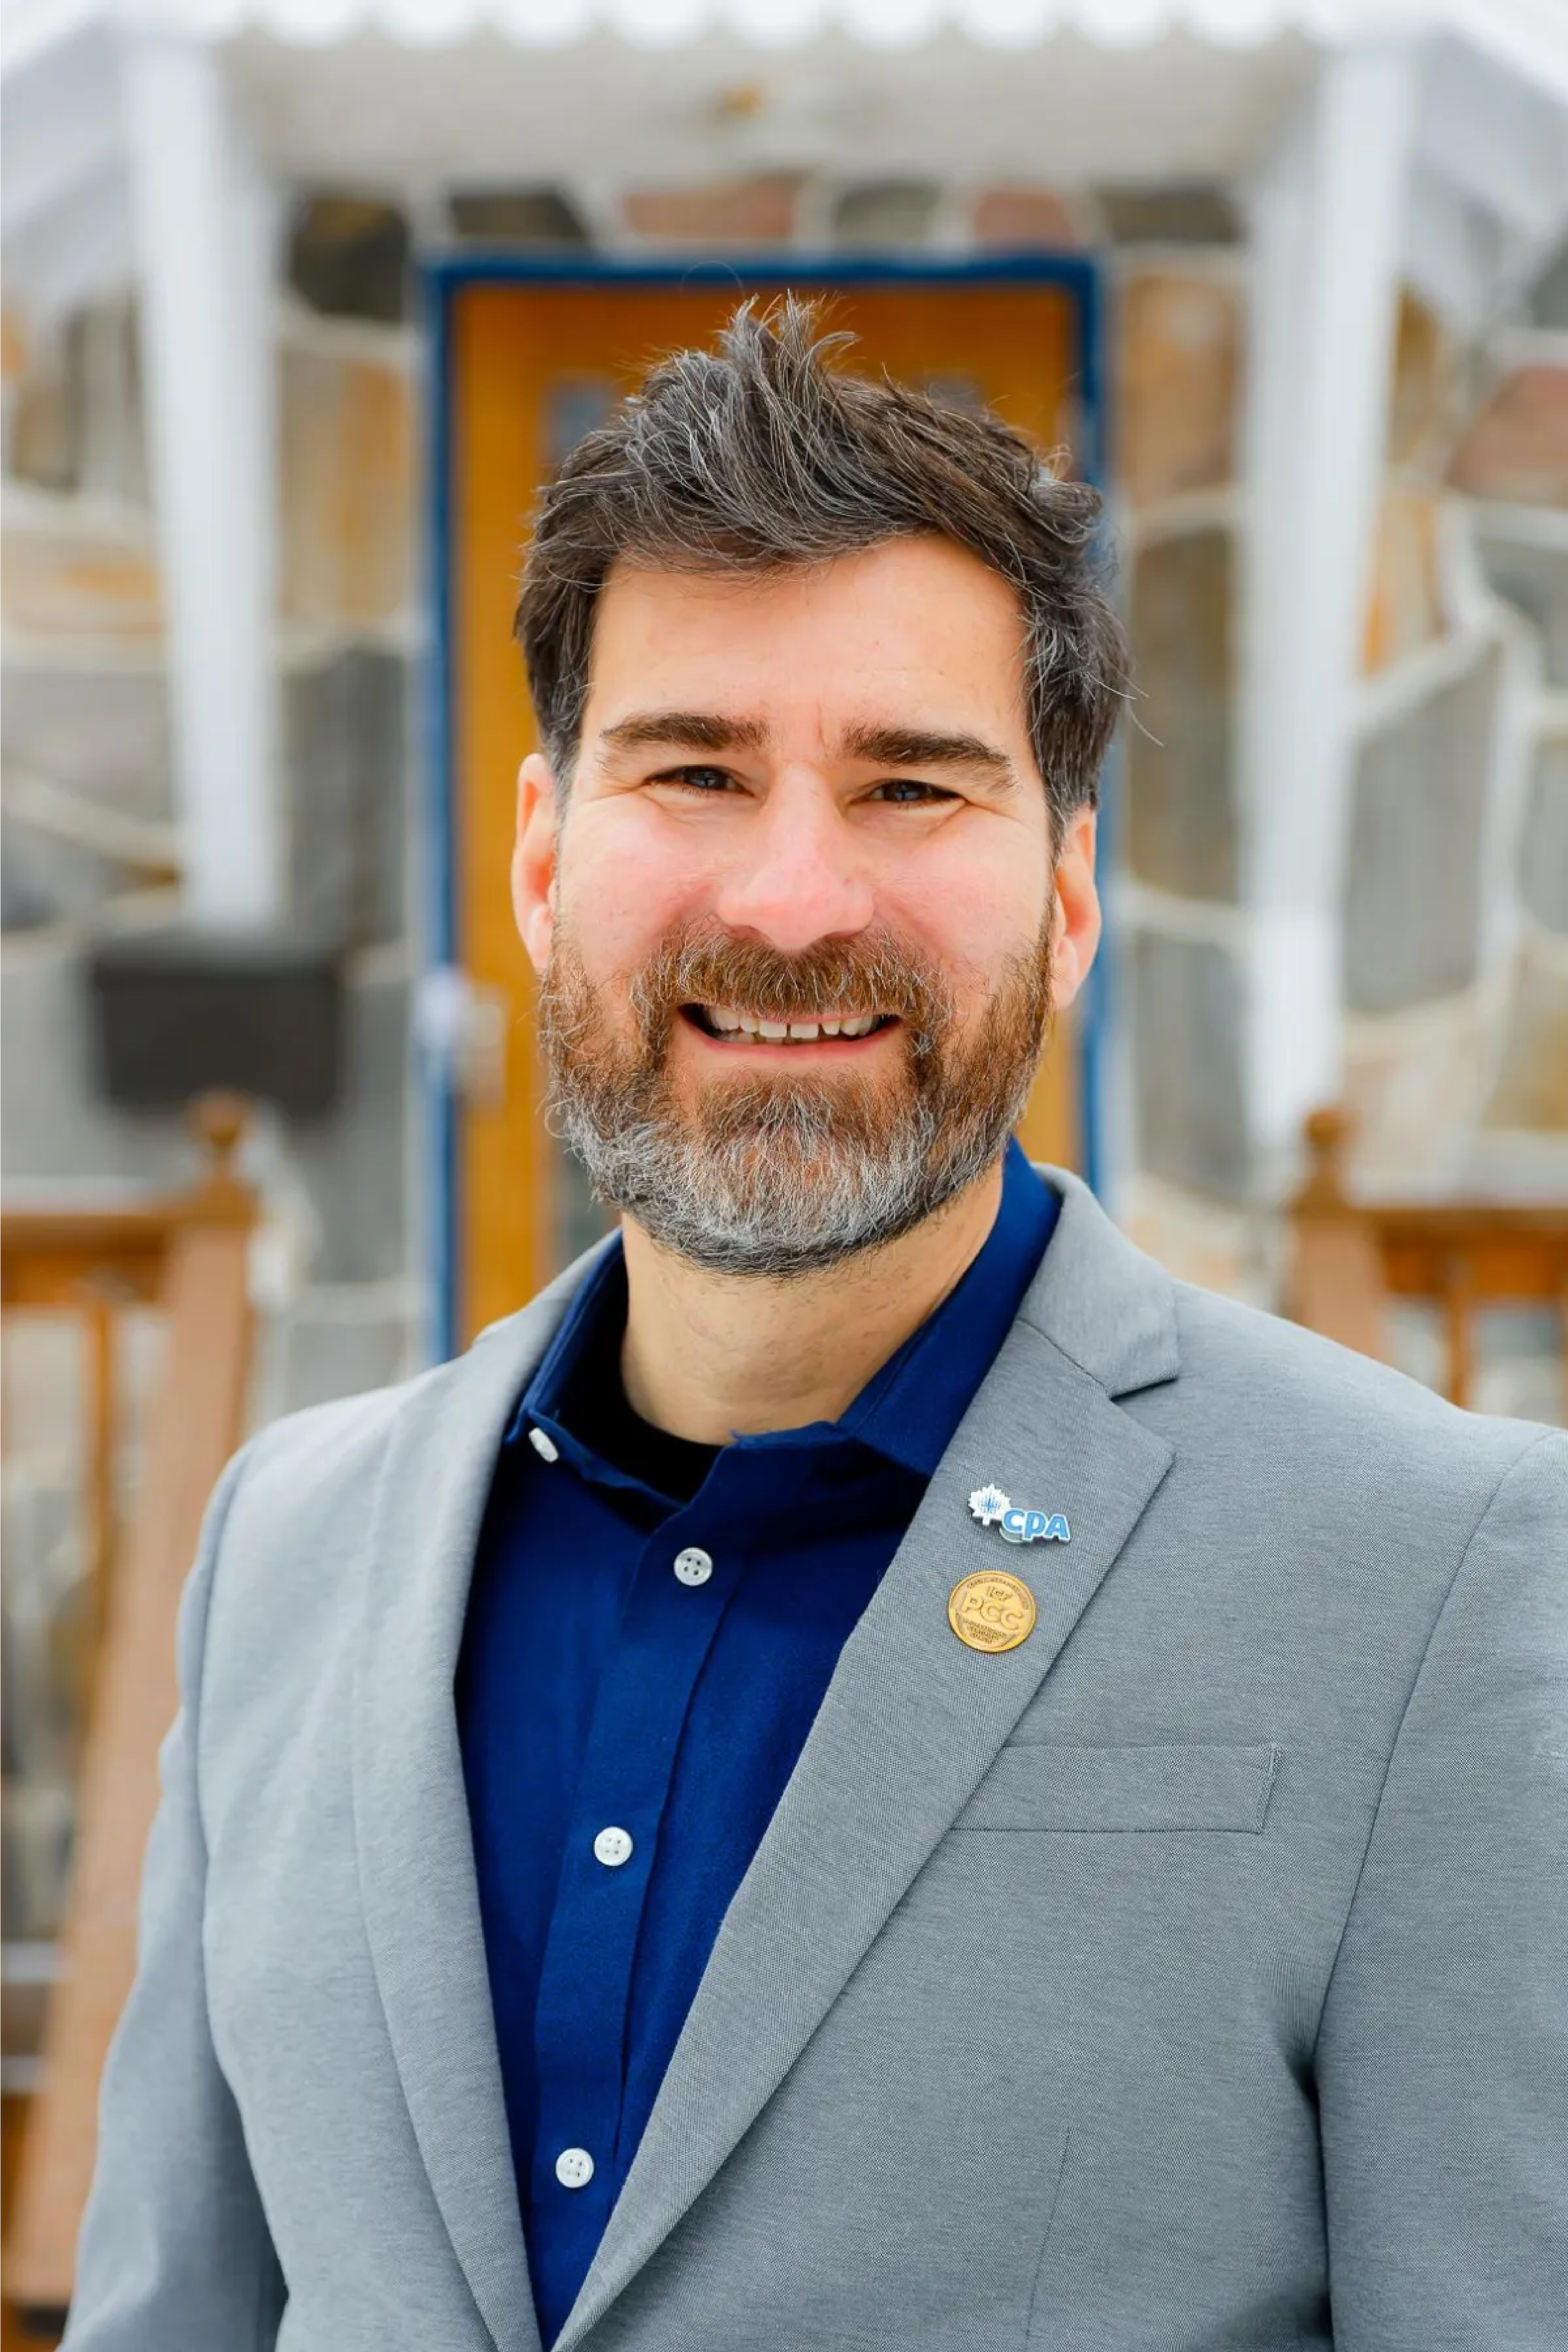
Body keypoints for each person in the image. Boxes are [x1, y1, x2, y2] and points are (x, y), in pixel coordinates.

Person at [66, 302, 1564, 2352]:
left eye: (909, 786)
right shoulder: (286, 1547)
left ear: (1064, 891)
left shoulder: (1434, 1573)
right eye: (690, 767)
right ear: (538, 855)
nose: (789, 902)